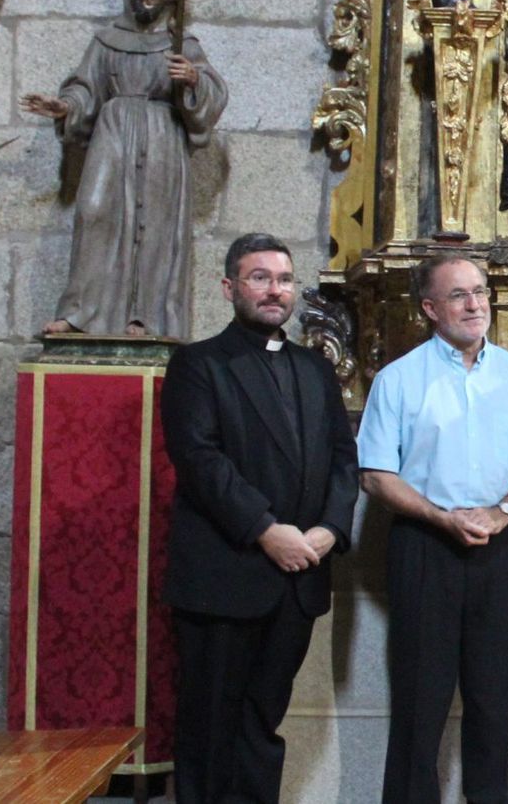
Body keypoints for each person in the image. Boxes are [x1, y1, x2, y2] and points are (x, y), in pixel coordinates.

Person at [161, 233, 359, 804]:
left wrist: (330, 528)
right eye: (260, 277)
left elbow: (343, 461)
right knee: (209, 728)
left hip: (298, 580)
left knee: (261, 724)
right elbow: (200, 461)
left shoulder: (314, 370)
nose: (276, 290)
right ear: (229, 288)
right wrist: (267, 531)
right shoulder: (198, 364)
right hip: (226, 576)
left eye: (285, 279)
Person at [360, 253, 508, 804]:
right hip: (425, 548)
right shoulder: (398, 380)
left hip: (499, 551)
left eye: (480, 291)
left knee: (494, 703)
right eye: (459, 295)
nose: (476, 304)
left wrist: (501, 513)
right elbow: (377, 476)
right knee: (420, 706)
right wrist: (440, 517)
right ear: (429, 308)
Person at [21, 0, 227, 337]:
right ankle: (80, 312)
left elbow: (212, 93)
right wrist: (67, 107)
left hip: (162, 134)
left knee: (156, 224)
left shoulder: (184, 43)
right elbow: (85, 86)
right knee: (93, 211)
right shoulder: (106, 39)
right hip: (112, 134)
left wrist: (191, 80)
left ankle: (146, 316)